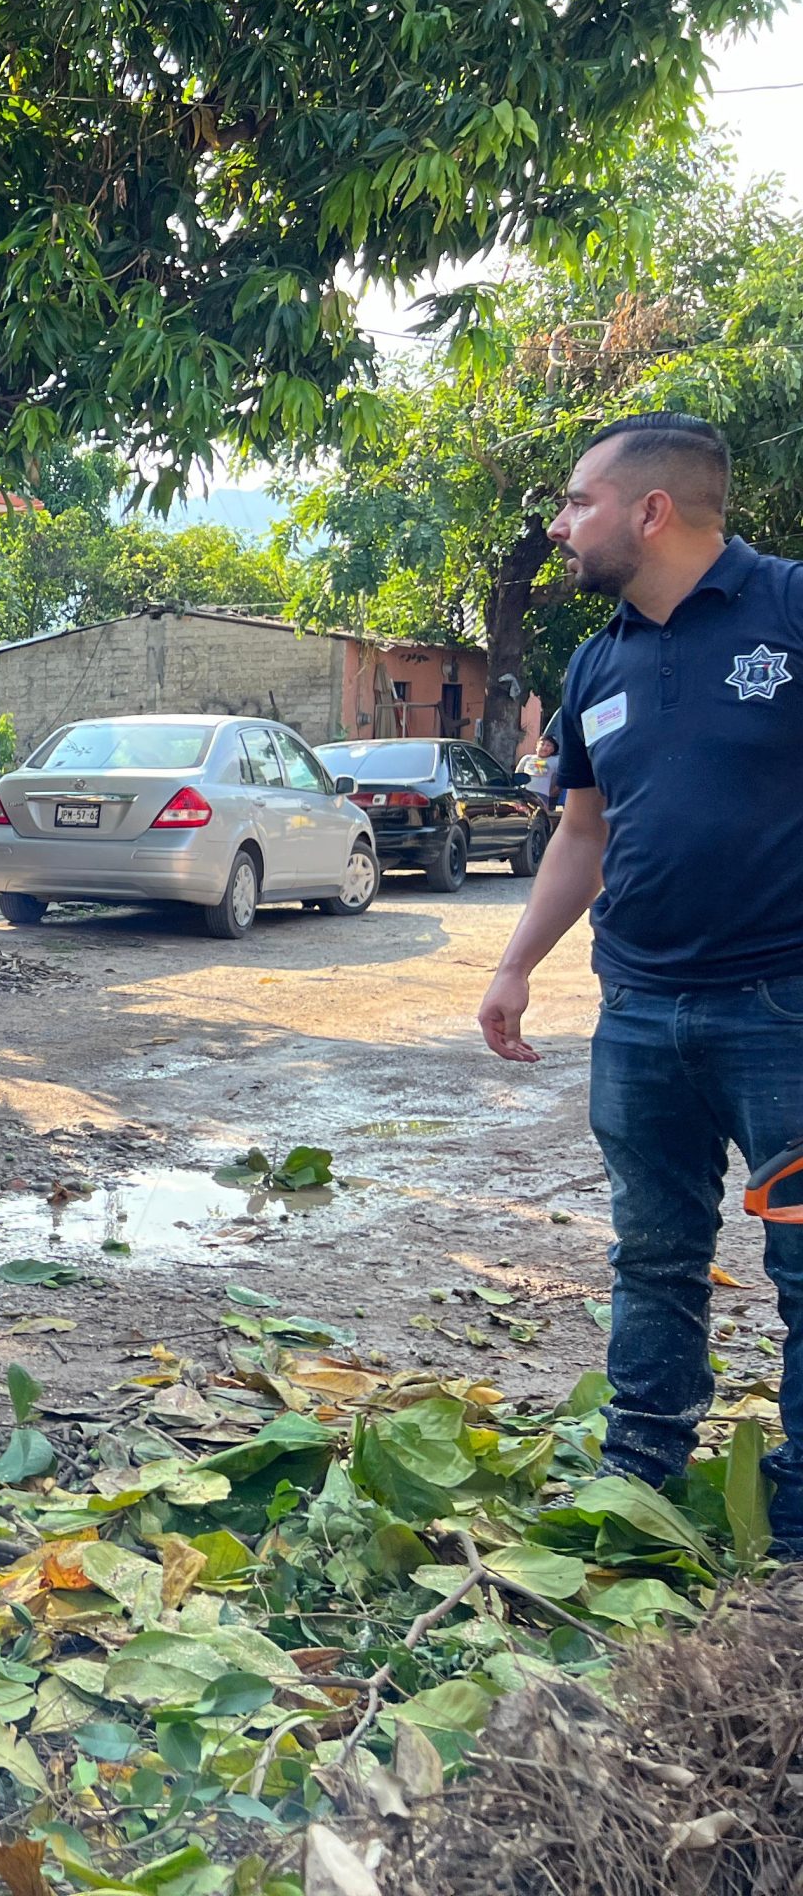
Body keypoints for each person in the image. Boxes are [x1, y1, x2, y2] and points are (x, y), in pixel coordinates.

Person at [478, 412, 803, 1549]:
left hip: (784, 1013)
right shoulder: (596, 658)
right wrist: (515, 965)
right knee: (654, 1255)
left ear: (649, 510)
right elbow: (582, 831)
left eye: (577, 503)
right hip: (639, 1014)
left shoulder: (790, 609)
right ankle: (639, 1479)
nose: (561, 527)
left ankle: (799, 1527)